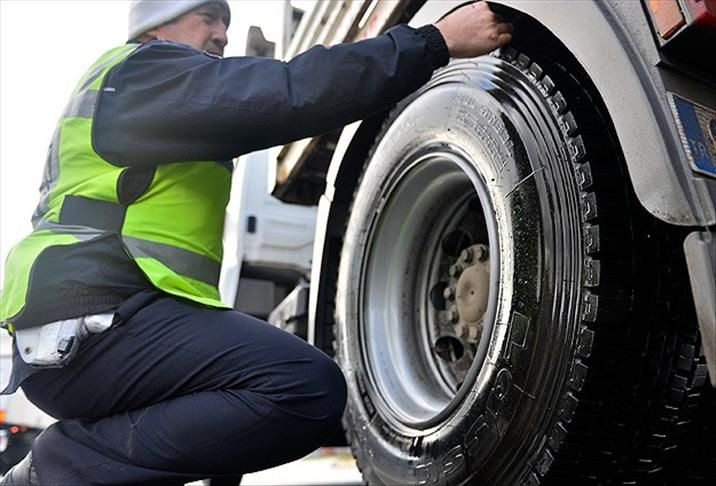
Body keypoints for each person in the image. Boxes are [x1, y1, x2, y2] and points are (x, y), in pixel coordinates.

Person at [0, 1, 513, 484]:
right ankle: (57, 471)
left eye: (224, 20)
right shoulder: (145, 73)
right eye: (206, 17)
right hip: (90, 320)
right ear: (156, 27)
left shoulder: (142, 92)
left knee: (243, 395)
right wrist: (433, 42)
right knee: (302, 388)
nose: (222, 32)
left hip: (91, 324)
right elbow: (289, 92)